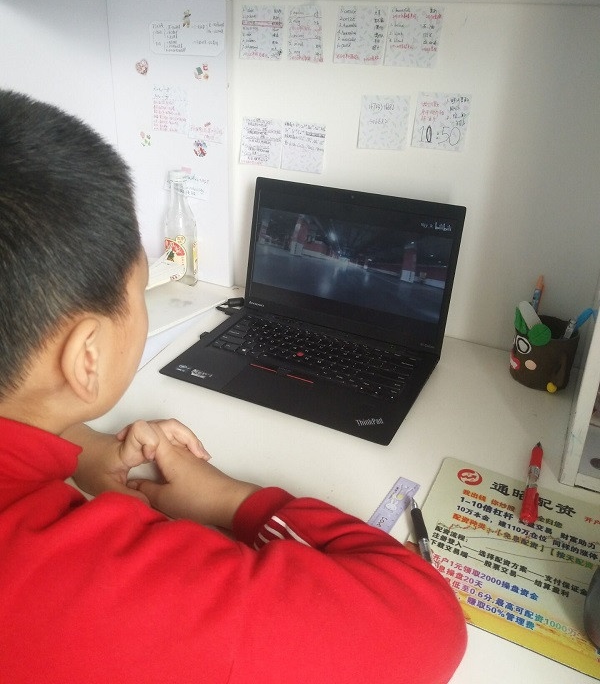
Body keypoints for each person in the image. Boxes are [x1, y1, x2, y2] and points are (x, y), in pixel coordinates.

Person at [0, 89, 467, 683]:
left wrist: (85, 449)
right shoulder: (99, 586)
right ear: (86, 357)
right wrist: (229, 499)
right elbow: (426, 625)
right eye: (140, 291)